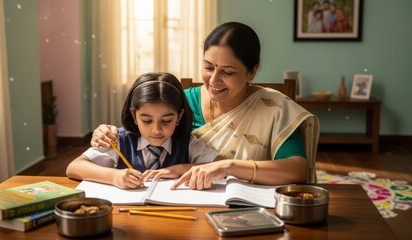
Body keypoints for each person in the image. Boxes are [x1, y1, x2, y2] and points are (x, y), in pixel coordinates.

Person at [90, 22, 319, 190]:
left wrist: (227, 166)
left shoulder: (273, 107)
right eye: (209, 67)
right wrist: (104, 133)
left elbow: (296, 169)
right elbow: (140, 128)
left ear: (252, 72)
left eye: (227, 72)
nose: (214, 79)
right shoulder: (181, 102)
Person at [67, 72, 222, 189]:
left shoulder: (188, 143)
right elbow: (74, 167)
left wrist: (178, 169)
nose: (156, 130)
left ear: (179, 116)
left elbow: (222, 165)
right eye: (146, 120)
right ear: (134, 116)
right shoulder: (119, 140)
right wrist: (114, 176)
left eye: (166, 120)